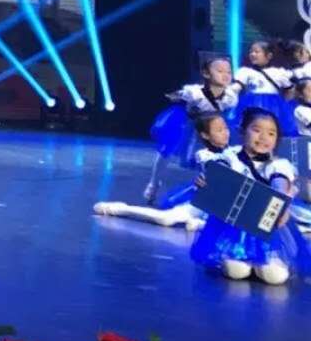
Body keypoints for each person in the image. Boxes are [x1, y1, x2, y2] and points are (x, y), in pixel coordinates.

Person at [189, 108, 298, 285]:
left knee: (274, 277)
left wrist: (282, 204)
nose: (263, 137)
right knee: (236, 272)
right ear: (242, 131)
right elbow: (217, 174)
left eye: (271, 133)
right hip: (232, 227)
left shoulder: (278, 164)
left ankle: (263, 262)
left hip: (265, 230)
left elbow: (279, 188)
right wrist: (206, 181)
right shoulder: (229, 156)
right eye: (257, 130)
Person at [97, 112, 229, 230]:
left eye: (226, 128)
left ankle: (201, 224)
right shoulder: (205, 155)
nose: (226, 133)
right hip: (210, 203)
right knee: (166, 219)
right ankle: (123, 209)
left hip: (228, 205)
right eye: (219, 130)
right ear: (205, 135)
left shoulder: (234, 151)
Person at [144, 55, 237, 202]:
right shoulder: (194, 93)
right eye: (220, 71)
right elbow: (176, 98)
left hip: (209, 128)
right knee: (166, 151)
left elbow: (224, 115)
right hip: (187, 124)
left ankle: (210, 190)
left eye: (228, 72)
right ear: (206, 73)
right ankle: (154, 183)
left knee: (217, 155)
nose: (225, 75)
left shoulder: (230, 97)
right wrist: (178, 97)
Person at [231, 40, 305, 136]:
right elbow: (237, 86)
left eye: (257, 52)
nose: (253, 54)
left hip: (274, 106)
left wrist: (284, 103)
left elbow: (290, 89)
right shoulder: (245, 71)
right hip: (250, 104)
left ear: (268, 55)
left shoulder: (278, 72)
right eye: (251, 52)